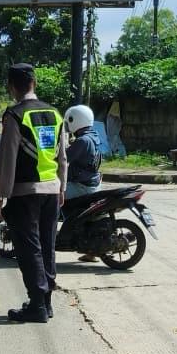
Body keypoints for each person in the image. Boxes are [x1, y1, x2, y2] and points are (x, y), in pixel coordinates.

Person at [0, 63, 67, 323]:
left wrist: (0, 196)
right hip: (51, 190)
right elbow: (62, 157)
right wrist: (62, 188)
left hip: (25, 193)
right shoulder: (55, 113)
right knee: (47, 246)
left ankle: (36, 305)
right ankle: (46, 303)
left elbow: (8, 158)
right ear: (34, 83)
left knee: (29, 250)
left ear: (11, 87)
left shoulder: (15, 115)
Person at [64, 104, 102, 263]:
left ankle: (51, 236)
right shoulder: (93, 136)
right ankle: (90, 252)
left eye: (69, 120)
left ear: (76, 120)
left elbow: (63, 158)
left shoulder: (82, 141)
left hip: (82, 186)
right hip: (91, 183)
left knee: (49, 198)